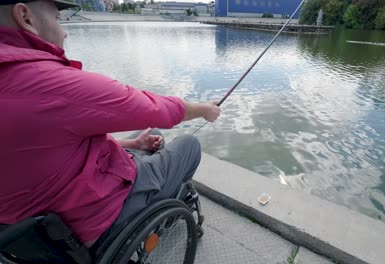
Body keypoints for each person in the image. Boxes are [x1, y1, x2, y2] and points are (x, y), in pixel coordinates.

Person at [0, 0, 221, 248]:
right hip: (89, 221)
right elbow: (152, 107)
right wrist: (203, 110)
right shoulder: (49, 83)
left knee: (149, 136)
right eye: (57, 19)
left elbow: (44, 147)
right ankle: (158, 218)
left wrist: (131, 143)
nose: (64, 31)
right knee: (189, 145)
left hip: (26, 235)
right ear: (25, 17)